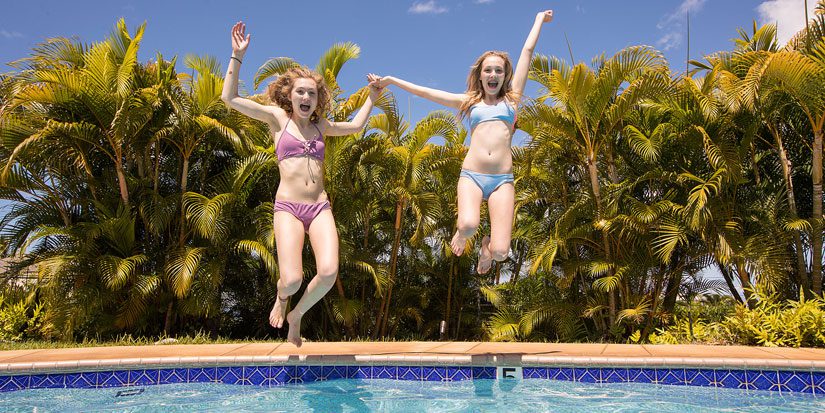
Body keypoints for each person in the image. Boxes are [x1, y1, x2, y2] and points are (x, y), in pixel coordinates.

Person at [221, 21, 382, 346]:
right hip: (288, 209)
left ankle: (297, 316)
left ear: (317, 98)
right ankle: (283, 298)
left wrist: (372, 97)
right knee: (292, 280)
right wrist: (236, 57)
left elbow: (354, 127)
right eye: (300, 92)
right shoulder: (277, 119)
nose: (306, 96)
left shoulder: (321, 126)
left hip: (319, 207)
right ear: (289, 96)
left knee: (327, 273)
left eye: (312, 92)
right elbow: (230, 98)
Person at [370, 10, 553, 274]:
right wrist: (391, 81)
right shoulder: (470, 102)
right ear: (480, 75)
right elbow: (426, 92)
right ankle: (465, 235)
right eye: (488, 70)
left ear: (505, 76)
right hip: (472, 175)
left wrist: (538, 20)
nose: (493, 74)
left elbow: (527, 51)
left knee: (502, 253)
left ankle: (486, 249)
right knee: (467, 225)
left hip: (503, 180)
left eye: (498, 71)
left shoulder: (512, 100)